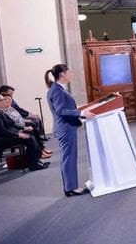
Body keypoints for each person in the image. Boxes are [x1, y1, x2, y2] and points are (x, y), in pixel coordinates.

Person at [46, 64, 95, 197]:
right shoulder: (57, 90)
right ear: (62, 74)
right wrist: (81, 112)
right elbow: (61, 110)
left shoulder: (58, 89)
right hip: (65, 128)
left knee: (68, 157)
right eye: (70, 71)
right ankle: (71, 188)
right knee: (68, 158)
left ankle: (70, 186)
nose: (72, 73)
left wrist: (80, 109)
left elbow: (65, 107)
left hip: (65, 127)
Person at [0, 93, 49, 171]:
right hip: (0, 140)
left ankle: (35, 161)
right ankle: (34, 164)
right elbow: (1, 131)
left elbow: (12, 123)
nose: (4, 101)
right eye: (1, 100)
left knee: (30, 133)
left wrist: (24, 128)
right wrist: (18, 134)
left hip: (5, 136)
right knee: (29, 138)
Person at [0, 89, 52, 158]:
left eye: (10, 99)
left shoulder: (11, 108)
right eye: (7, 100)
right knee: (31, 131)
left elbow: (19, 118)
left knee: (33, 125)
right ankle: (40, 152)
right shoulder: (3, 111)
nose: (10, 101)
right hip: (16, 129)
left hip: (21, 125)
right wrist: (24, 127)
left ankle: (41, 150)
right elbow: (12, 123)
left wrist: (27, 121)